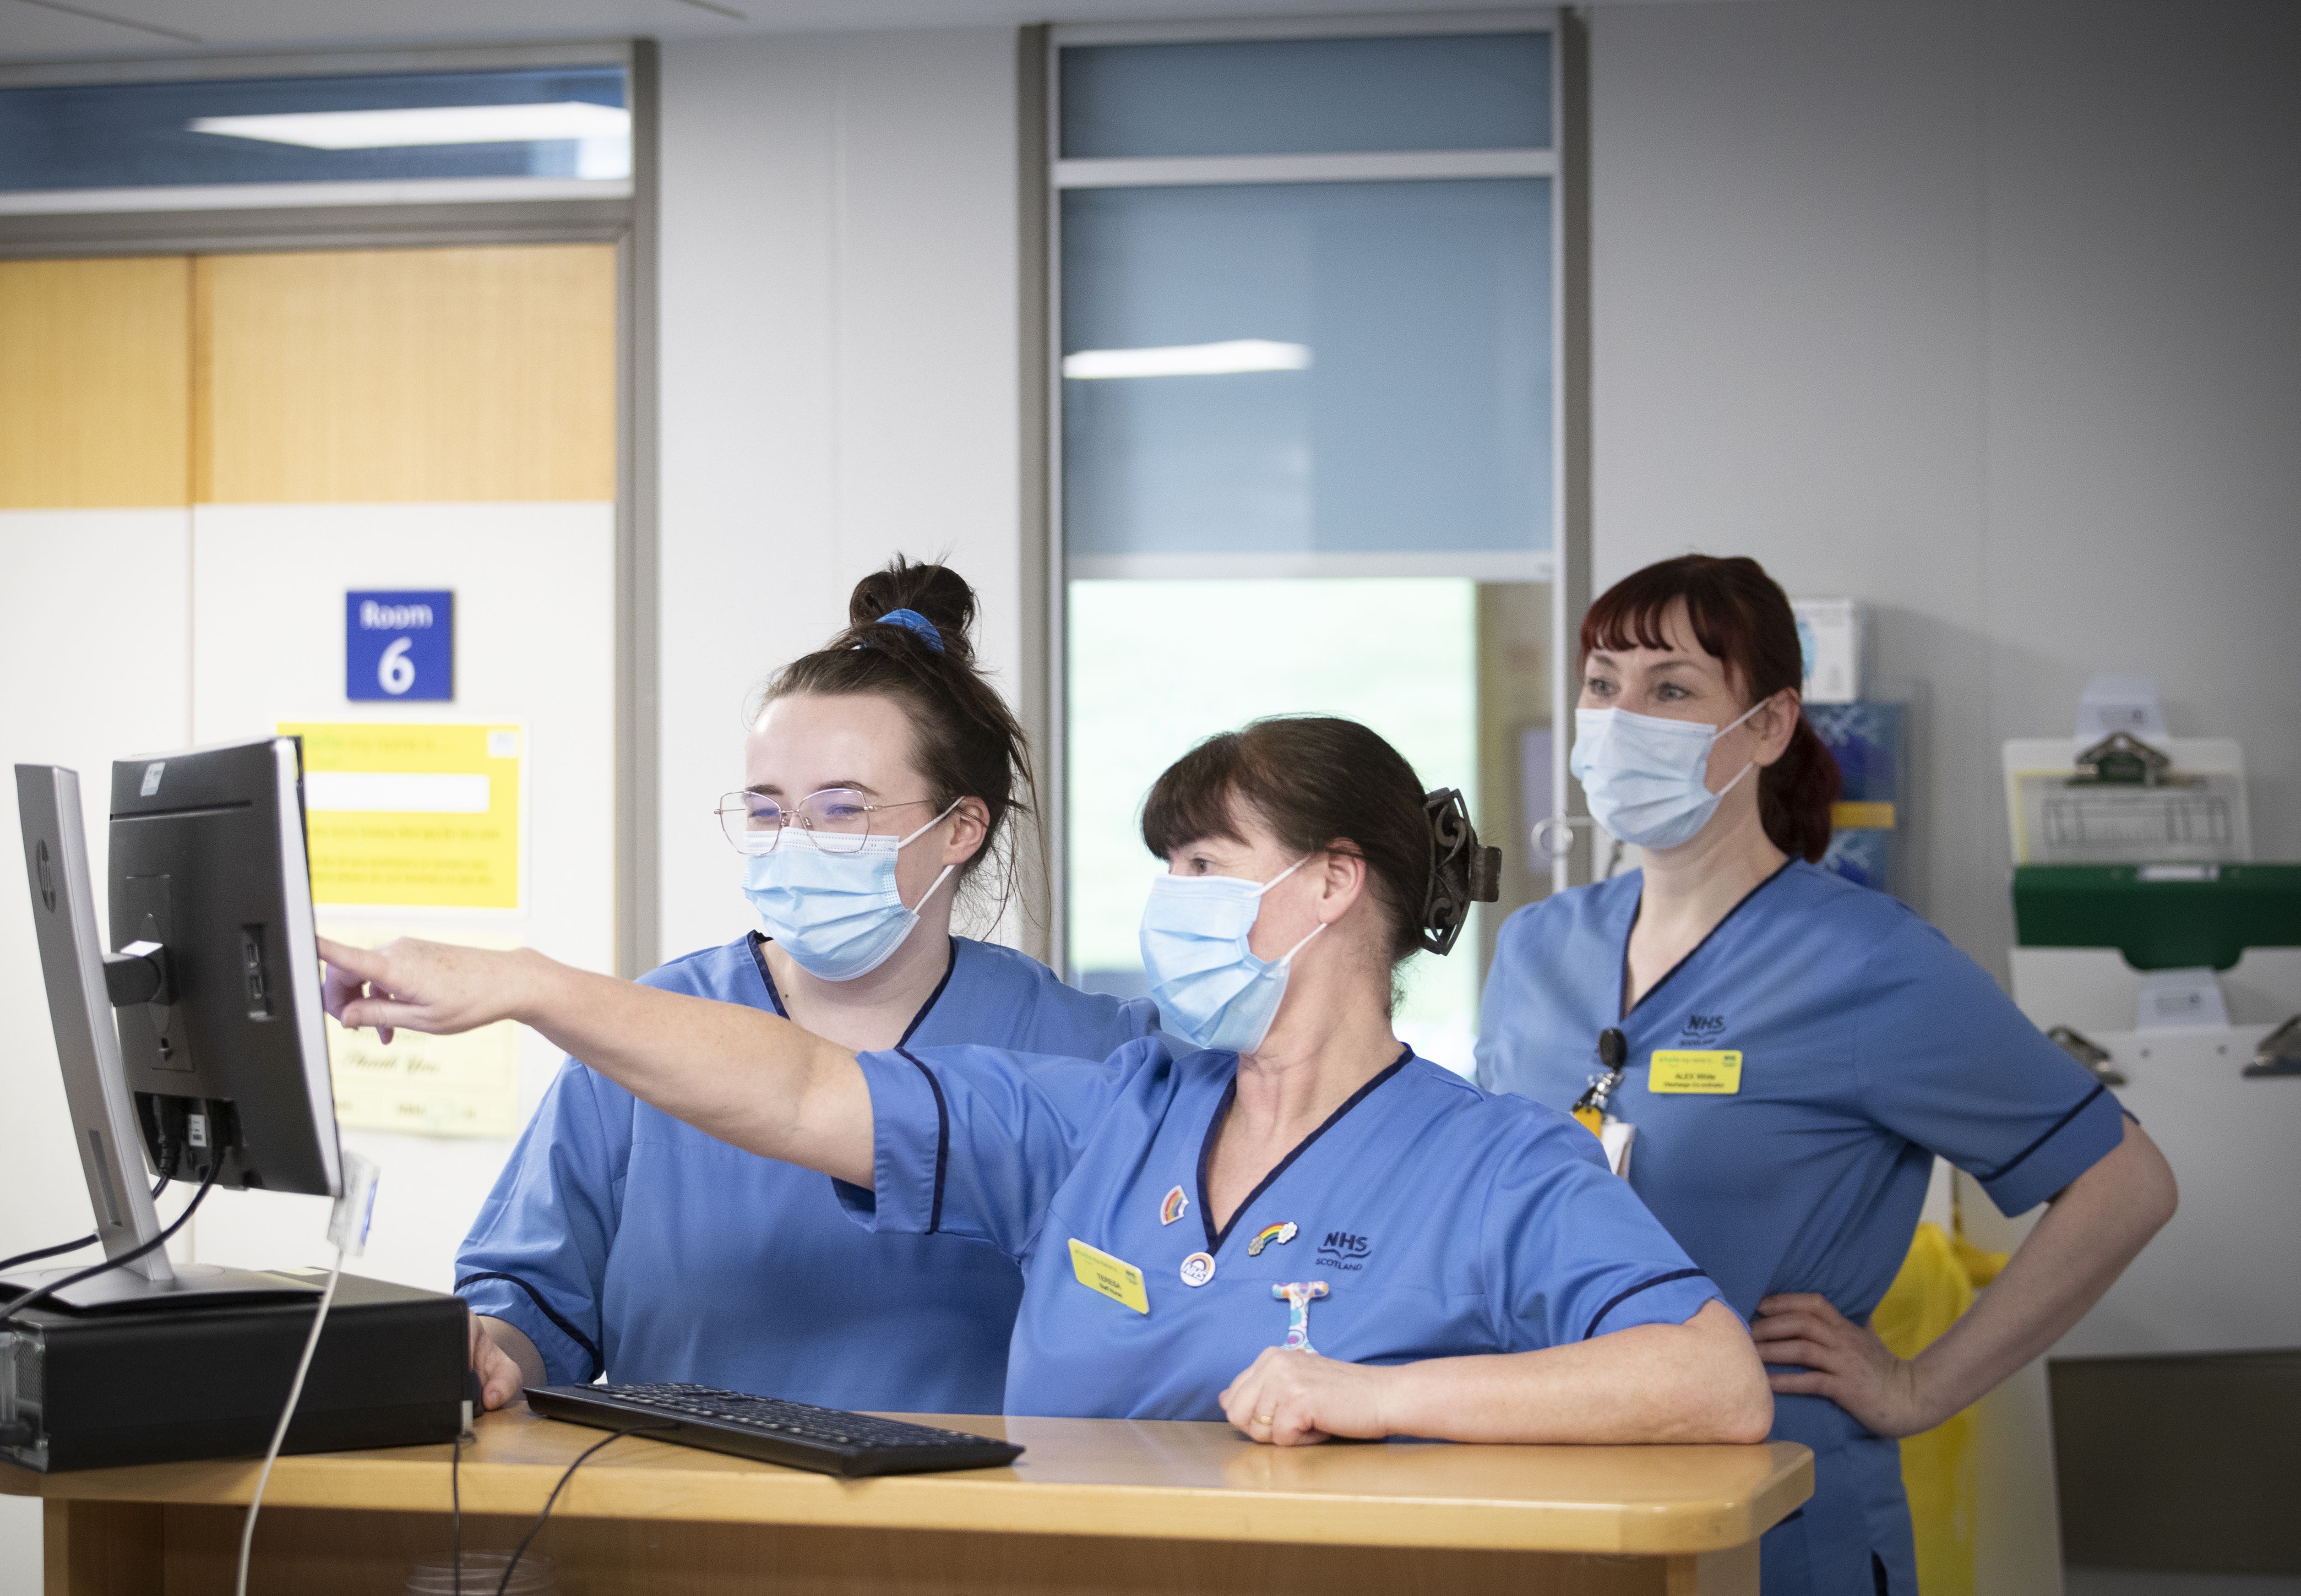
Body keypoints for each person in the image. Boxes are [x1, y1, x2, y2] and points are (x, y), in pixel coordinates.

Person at [330, 715, 1776, 1448]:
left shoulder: (1490, 1160)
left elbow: (1710, 1378)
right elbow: (798, 1089)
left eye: (1204, 868)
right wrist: (529, 982)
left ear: (1335, 884)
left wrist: (1381, 1396)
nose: (1171, 903)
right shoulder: (1108, 1106)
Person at [1474, 554, 2178, 1595]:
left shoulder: (1868, 965)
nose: (1623, 717)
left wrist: (1921, 1388)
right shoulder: (1534, 949)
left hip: (1772, 1511)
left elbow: (2127, 1185)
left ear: (1764, 727)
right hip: (1543, 1483)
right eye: (1602, 684)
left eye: (1671, 688)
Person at [452, 559, 1165, 1416]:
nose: (792, 841)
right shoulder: (650, 1035)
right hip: (672, 1519)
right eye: (765, 809)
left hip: (972, 1529)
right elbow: (531, 1306)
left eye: (841, 808)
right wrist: (490, 1354)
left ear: (961, 829)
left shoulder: (1089, 1048)